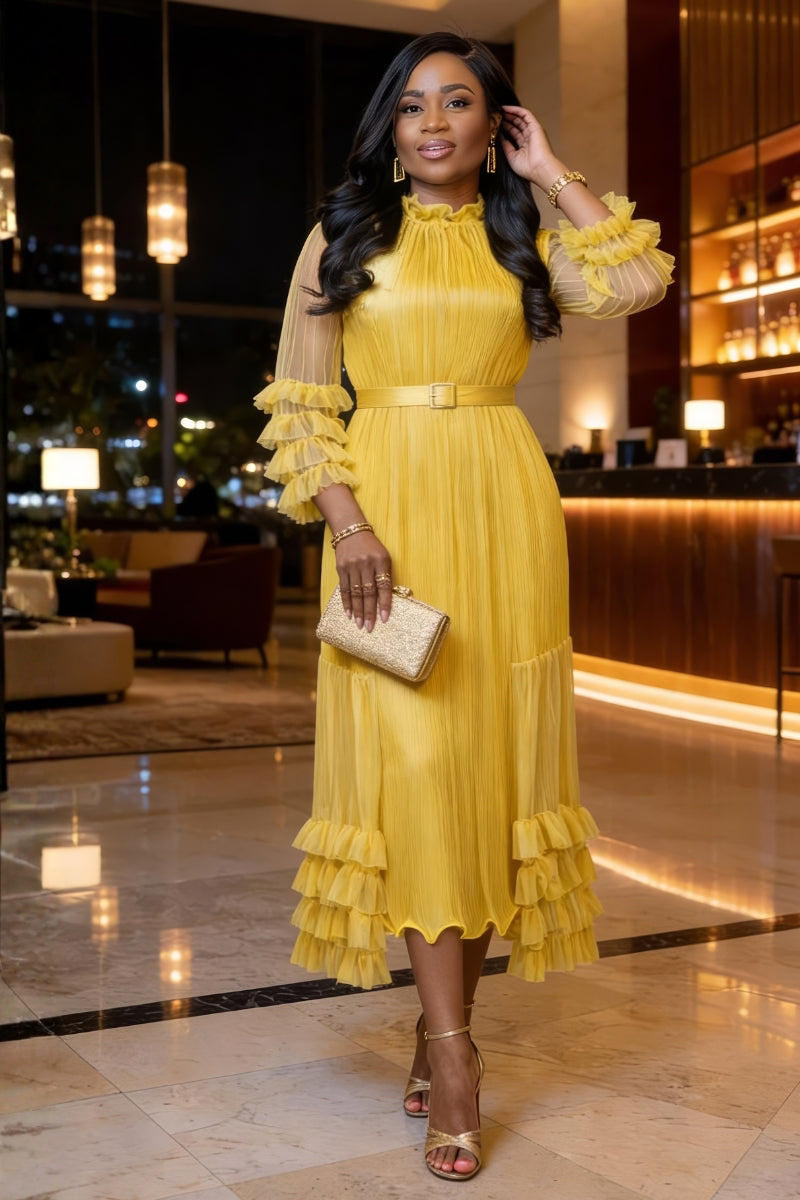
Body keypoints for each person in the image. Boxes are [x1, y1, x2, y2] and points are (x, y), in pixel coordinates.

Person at [254, 32, 673, 1182]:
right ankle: (451, 1054)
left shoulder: (522, 227)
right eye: (412, 105)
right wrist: (345, 524)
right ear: (387, 126)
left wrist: (548, 175)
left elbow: (634, 281)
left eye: (461, 104)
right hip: (383, 511)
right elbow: (299, 403)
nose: (433, 122)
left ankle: (443, 1029)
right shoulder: (342, 236)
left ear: (495, 124)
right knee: (419, 775)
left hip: (504, 506)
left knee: (483, 782)